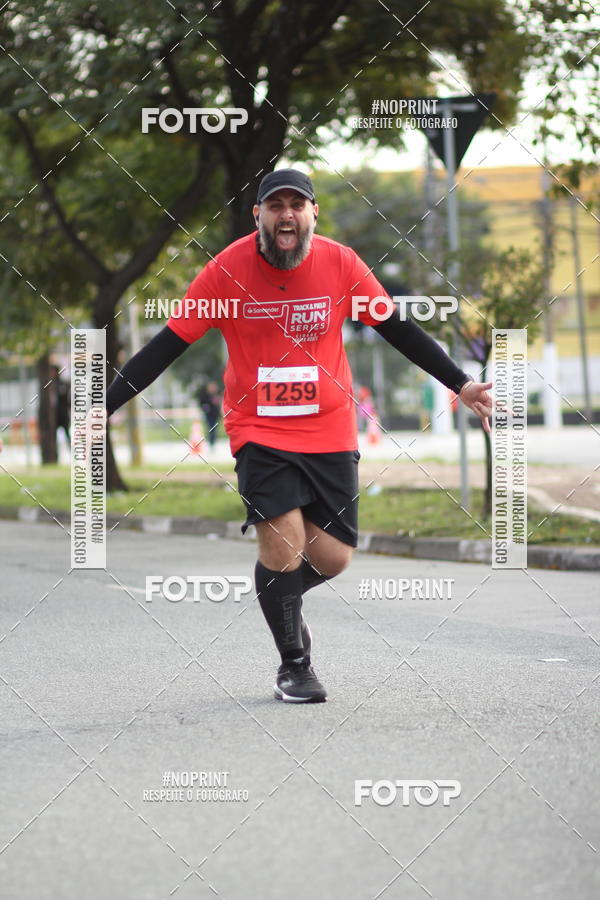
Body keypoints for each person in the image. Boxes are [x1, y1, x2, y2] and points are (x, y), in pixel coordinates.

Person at [105, 168, 493, 704]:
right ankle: (295, 664)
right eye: (275, 205)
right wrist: (100, 407)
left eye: (297, 204)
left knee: (333, 558)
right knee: (282, 544)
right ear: (257, 215)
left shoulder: (342, 264)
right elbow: (167, 345)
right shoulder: (225, 272)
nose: (286, 214)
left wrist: (462, 383)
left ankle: (278, 593)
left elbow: (397, 327)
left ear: (313, 214)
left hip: (330, 427)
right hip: (259, 429)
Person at [195, 380, 222, 447]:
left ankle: (213, 442)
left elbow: (218, 406)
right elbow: (201, 404)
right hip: (208, 415)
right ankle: (211, 443)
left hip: (215, 415)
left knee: (215, 429)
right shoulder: (205, 396)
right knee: (210, 428)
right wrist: (206, 408)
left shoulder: (217, 395)